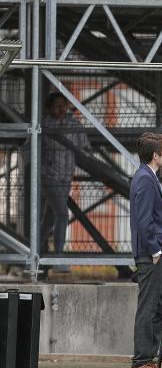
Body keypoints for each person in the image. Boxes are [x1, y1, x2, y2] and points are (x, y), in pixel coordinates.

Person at [129, 132, 162, 368]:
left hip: (157, 254)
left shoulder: (147, 176)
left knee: (159, 306)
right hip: (151, 255)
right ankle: (141, 361)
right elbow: (144, 219)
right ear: (155, 155)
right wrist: (155, 249)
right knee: (149, 306)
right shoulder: (145, 178)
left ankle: (148, 359)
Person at [41, 93, 90, 258]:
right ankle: (59, 256)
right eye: (57, 105)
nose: (61, 108)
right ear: (49, 108)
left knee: (49, 218)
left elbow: (85, 147)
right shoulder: (44, 126)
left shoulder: (73, 124)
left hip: (66, 177)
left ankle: (37, 252)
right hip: (49, 176)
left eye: (64, 105)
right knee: (62, 214)